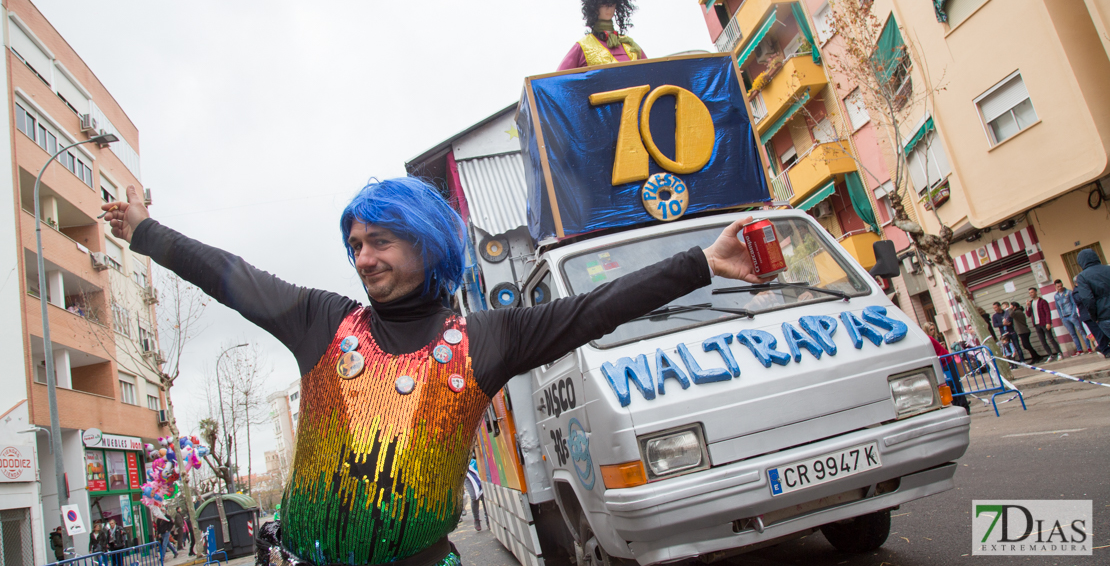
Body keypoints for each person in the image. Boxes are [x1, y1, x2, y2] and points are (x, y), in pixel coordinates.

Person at [102, 178, 764, 566]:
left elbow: (594, 310)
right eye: (355, 244)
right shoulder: (321, 322)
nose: (363, 258)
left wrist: (701, 262)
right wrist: (146, 231)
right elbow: (230, 277)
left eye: (379, 241)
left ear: (425, 242)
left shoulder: (484, 340)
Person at [557, 0, 647, 70]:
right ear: (595, 7)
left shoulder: (630, 44)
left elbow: (650, 73)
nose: (608, 8)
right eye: (604, 4)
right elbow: (559, 79)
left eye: (612, 3)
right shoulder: (583, 46)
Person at [923, 322, 969, 414]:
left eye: (933, 329)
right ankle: (957, 404)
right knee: (949, 386)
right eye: (931, 330)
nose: (933, 331)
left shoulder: (928, 339)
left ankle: (963, 405)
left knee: (954, 384)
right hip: (941, 363)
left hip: (946, 361)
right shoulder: (927, 339)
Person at [1075, 248, 1110, 358]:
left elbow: (1088, 299)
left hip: (1104, 316)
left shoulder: (1082, 277)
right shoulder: (1108, 269)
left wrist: (1094, 317)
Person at [1054, 279, 1092, 355]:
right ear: (1055, 286)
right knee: (1073, 334)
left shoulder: (1068, 292)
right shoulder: (1056, 296)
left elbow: (1074, 303)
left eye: (1061, 285)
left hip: (1072, 315)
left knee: (1081, 331)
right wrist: (1061, 316)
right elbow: (1057, 307)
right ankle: (1079, 350)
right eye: (1058, 286)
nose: (1060, 287)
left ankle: (1089, 348)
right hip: (1065, 317)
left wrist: (1073, 313)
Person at [1026, 287, 1062, 361]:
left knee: (1051, 339)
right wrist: (1028, 306)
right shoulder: (1031, 302)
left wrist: (1048, 323)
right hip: (1036, 324)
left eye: (1032, 292)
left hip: (1044, 323)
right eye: (1029, 293)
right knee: (1043, 341)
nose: (1031, 294)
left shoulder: (1042, 301)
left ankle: (1059, 353)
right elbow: (1028, 314)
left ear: (1036, 292)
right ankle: (1050, 355)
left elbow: (1047, 312)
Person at [463, 457, 484, 532]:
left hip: (475, 466)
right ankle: (476, 519)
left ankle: (489, 521)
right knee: (474, 497)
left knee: (483, 495)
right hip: (465, 473)